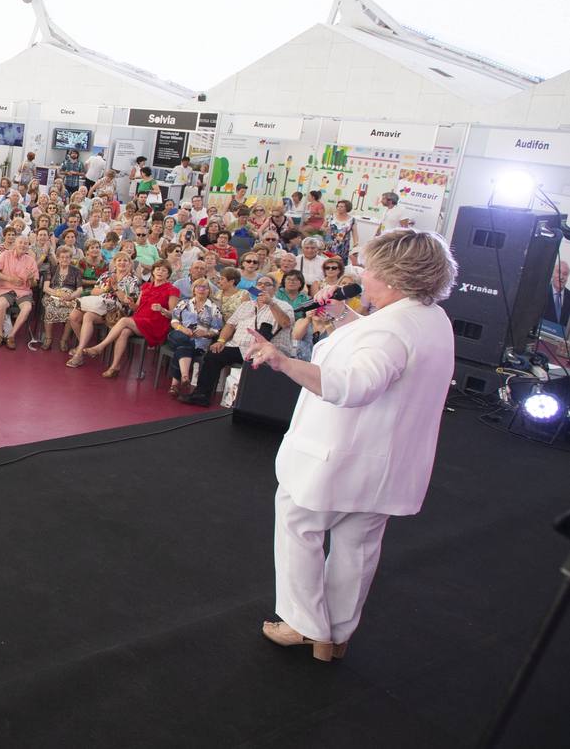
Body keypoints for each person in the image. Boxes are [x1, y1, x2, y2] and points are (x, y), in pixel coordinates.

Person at [242, 230, 457, 661]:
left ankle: (303, 624)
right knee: (358, 545)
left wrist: (284, 361)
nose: (362, 275)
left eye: (370, 270)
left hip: (340, 455)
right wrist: (344, 315)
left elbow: (354, 384)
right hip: (387, 463)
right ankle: (336, 633)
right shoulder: (429, 318)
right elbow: (383, 344)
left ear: (395, 278)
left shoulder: (391, 331)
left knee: (298, 525)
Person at [179, 274, 293, 406]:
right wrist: (221, 341)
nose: (262, 286)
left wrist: (271, 303)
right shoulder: (246, 305)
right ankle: (201, 395)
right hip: (238, 347)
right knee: (213, 354)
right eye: (260, 284)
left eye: (267, 284)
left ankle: (251, 404)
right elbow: (230, 324)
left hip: (266, 351)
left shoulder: (284, 306)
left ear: (275, 289)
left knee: (258, 369)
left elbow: (285, 323)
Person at [84, 260, 181, 377]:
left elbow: (173, 315)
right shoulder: (145, 286)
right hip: (139, 320)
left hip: (156, 324)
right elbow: (137, 308)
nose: (160, 272)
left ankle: (100, 347)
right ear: (153, 272)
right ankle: (114, 367)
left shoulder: (172, 290)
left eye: (164, 270)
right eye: (158, 269)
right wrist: (131, 304)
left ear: (168, 274)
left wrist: (162, 310)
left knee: (124, 320)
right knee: (124, 332)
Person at [165, 277, 223, 395]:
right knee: (183, 339)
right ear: (194, 290)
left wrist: (206, 333)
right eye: (198, 287)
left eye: (205, 287)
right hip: (179, 334)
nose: (201, 290)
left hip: (200, 341)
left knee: (183, 347)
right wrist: (183, 329)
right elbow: (174, 321)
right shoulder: (184, 303)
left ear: (209, 291)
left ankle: (179, 381)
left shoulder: (214, 308)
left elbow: (216, 329)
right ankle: (184, 377)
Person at [0, 233, 37, 350]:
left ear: (28, 246)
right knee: (1, 304)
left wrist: (31, 278)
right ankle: (0, 334)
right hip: (6, 289)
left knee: (27, 308)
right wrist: (10, 279)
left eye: (26, 243)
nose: (23, 245)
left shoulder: (31, 260)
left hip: (23, 291)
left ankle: (11, 336)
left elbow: (34, 284)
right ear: (15, 244)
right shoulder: (5, 255)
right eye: (20, 242)